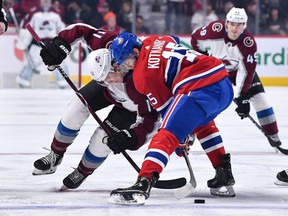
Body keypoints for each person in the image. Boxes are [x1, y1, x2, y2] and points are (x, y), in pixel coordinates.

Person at [108, 31, 235, 205]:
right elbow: (174, 41)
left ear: (136, 53)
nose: (126, 66)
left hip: (198, 86)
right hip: (223, 85)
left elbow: (168, 110)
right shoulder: (153, 40)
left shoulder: (142, 77)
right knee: (203, 124)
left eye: (126, 61)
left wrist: (180, 140)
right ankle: (223, 172)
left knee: (167, 133)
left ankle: (143, 182)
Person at [32, 23, 161, 190]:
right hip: (108, 91)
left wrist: (133, 137)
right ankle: (55, 155)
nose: (108, 81)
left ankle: (82, 171)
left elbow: (152, 119)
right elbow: (82, 29)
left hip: (132, 108)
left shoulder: (143, 83)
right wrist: (60, 45)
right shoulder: (112, 48)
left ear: (118, 66)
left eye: (108, 76)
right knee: (74, 110)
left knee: (102, 140)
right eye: (103, 78)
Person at [190, 7, 282, 149]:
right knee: (202, 100)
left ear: (244, 26)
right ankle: (189, 131)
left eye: (239, 25)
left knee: (261, 100)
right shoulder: (215, 29)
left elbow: (247, 71)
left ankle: (273, 136)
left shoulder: (248, 43)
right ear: (226, 23)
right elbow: (195, 37)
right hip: (216, 72)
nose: (234, 28)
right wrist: (201, 57)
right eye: (232, 23)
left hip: (238, 72)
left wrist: (242, 96)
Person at [15, 0, 68, 88]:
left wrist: (64, 41)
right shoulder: (34, 12)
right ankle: (23, 80)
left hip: (52, 44)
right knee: (32, 61)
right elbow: (26, 26)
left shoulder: (56, 13)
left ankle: (63, 82)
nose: (46, 1)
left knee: (59, 62)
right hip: (38, 43)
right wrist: (23, 41)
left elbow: (61, 28)